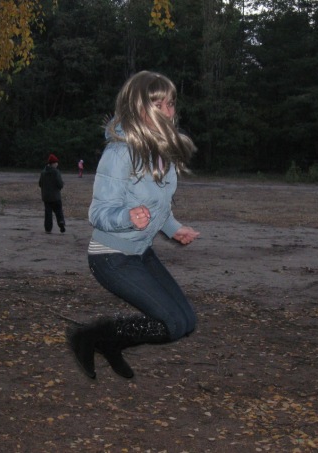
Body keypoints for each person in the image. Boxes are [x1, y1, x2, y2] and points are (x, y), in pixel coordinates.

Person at [68, 70, 200, 380]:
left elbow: (158, 205)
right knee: (170, 324)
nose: (168, 111)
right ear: (139, 108)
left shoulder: (162, 152)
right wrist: (127, 216)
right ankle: (91, 337)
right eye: (159, 104)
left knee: (186, 322)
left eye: (170, 103)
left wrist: (173, 229)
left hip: (139, 252)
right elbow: (98, 212)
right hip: (110, 256)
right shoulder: (120, 152)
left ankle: (111, 345)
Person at [38, 153, 66, 233]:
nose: (57, 164)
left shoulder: (43, 172)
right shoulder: (56, 172)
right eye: (56, 163)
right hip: (56, 196)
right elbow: (59, 184)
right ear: (53, 163)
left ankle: (48, 228)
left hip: (46, 197)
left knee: (48, 213)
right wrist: (61, 186)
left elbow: (40, 183)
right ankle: (61, 222)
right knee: (58, 211)